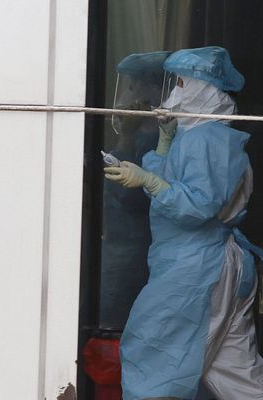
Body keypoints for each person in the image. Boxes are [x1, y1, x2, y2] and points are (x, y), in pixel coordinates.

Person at [104, 46, 263, 400]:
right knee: (237, 374)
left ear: (201, 88)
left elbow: (198, 205)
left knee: (154, 360)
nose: (171, 90)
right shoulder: (197, 135)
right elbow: (176, 187)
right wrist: (162, 148)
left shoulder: (210, 138)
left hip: (197, 268)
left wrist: (148, 179)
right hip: (210, 264)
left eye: (179, 82)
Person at [100, 51, 169, 331]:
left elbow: (131, 197)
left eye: (132, 86)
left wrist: (127, 136)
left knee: (118, 324)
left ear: (153, 90)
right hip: (116, 245)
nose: (126, 96)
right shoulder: (142, 135)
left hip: (132, 253)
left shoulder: (159, 140)